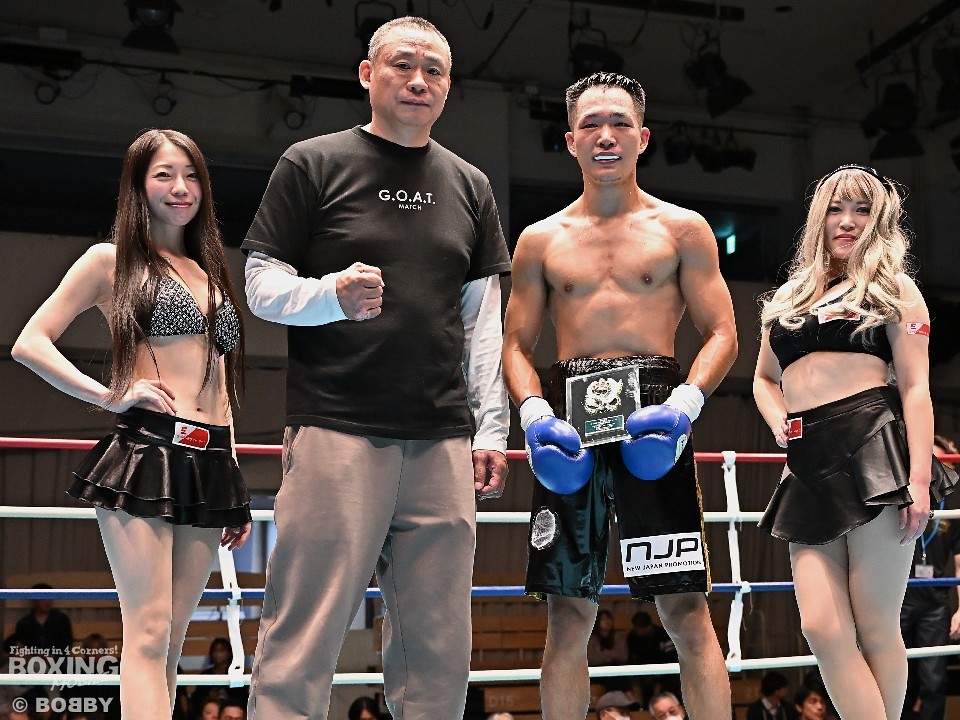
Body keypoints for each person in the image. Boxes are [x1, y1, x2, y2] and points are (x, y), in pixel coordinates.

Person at [241, 16, 511, 720]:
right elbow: (260, 286)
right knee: (305, 630)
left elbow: (482, 321)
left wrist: (490, 429)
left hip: (441, 437)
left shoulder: (471, 184)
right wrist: (328, 295)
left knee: (439, 647)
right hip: (336, 425)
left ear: (448, 86)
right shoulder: (312, 162)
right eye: (402, 64)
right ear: (368, 74)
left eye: (433, 70)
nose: (418, 80)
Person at [502, 71, 737, 720]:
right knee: (567, 614)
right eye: (591, 124)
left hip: (655, 410)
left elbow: (723, 332)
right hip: (569, 417)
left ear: (643, 137)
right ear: (570, 139)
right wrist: (533, 414)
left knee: (686, 610)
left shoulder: (682, 229)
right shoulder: (540, 240)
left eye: (620, 123)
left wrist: (685, 406)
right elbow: (515, 344)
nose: (606, 135)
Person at [11, 128, 252, 720]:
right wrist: (111, 395)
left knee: (171, 639)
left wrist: (235, 480)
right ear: (139, 186)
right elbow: (30, 342)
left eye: (191, 175)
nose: (180, 187)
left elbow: (220, 385)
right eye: (164, 174)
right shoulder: (110, 260)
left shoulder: (209, 270)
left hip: (211, 460)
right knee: (147, 631)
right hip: (147, 453)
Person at [754, 164, 958, 720]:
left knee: (875, 625)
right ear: (818, 219)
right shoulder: (789, 296)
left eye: (862, 210)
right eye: (836, 209)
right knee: (820, 626)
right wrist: (778, 419)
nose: (847, 221)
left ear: (880, 222)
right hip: (806, 460)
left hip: (874, 448)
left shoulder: (896, 290)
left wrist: (920, 481)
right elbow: (763, 379)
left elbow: (916, 388)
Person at [900, 433, 960, 720]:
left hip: (935, 605)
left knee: (934, 681)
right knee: (898, 678)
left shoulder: (954, 507)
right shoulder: (898, 495)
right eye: (926, 458)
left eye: (938, 460)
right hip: (898, 600)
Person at [625, 610, 679, 706]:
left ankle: (657, 704)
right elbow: (631, 658)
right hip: (641, 669)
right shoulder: (632, 637)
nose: (639, 632)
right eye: (637, 629)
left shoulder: (663, 634)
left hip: (662, 668)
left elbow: (671, 658)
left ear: (649, 626)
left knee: (670, 679)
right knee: (632, 678)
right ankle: (640, 709)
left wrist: (659, 674)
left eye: (641, 629)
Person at [189, 637, 248, 716]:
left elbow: (243, 698)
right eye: (215, 651)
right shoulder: (205, 675)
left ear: (229, 653)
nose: (218, 654)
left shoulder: (237, 674)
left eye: (221, 650)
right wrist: (209, 696)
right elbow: (196, 701)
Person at [14, 584, 73, 654]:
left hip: (56, 658)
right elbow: (21, 646)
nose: (47, 602)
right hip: (33, 659)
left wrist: (53, 656)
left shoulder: (61, 620)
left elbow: (67, 644)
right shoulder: (24, 624)